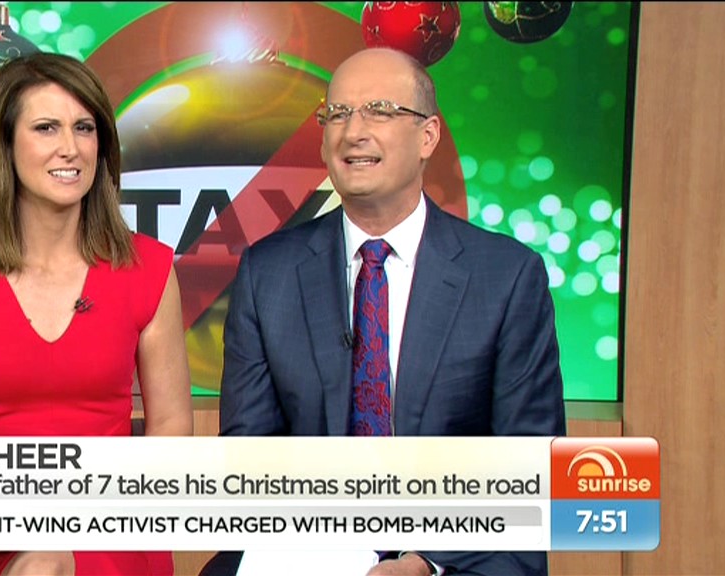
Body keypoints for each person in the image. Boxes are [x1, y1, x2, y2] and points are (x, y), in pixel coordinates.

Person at [202, 47, 566, 576]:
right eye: (338, 114)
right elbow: (248, 457)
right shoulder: (268, 272)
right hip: (307, 549)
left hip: (458, 557)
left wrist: (425, 561)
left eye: (379, 110)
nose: (354, 132)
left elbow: (529, 466)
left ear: (428, 136)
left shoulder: (506, 277)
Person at [0, 52, 193, 576]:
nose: (70, 147)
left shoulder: (148, 270)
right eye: (46, 127)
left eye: (84, 128)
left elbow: (170, 427)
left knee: (47, 565)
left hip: (112, 518)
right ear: (5, 145)